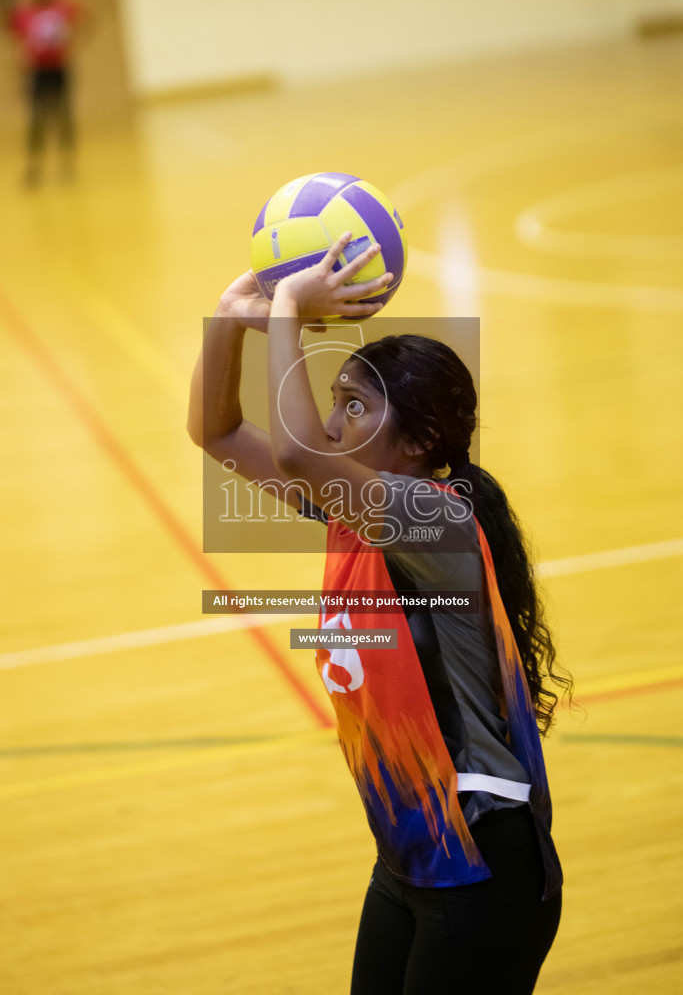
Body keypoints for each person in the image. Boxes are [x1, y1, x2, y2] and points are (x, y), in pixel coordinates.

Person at [188, 234, 572, 994]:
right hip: (408, 859)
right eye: (332, 402)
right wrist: (227, 320)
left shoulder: (435, 518)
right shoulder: (354, 512)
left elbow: (298, 455)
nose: (331, 425)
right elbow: (219, 434)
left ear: (422, 441)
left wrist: (293, 305)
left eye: (353, 406)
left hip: (480, 862)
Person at [7, 0, 85, 185]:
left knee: (63, 116)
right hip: (37, 72)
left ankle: (67, 165)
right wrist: (21, 70)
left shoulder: (64, 5)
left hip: (59, 69)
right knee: (36, 119)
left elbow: (84, 20)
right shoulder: (25, 11)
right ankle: (35, 167)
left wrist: (72, 43)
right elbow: (17, 40)